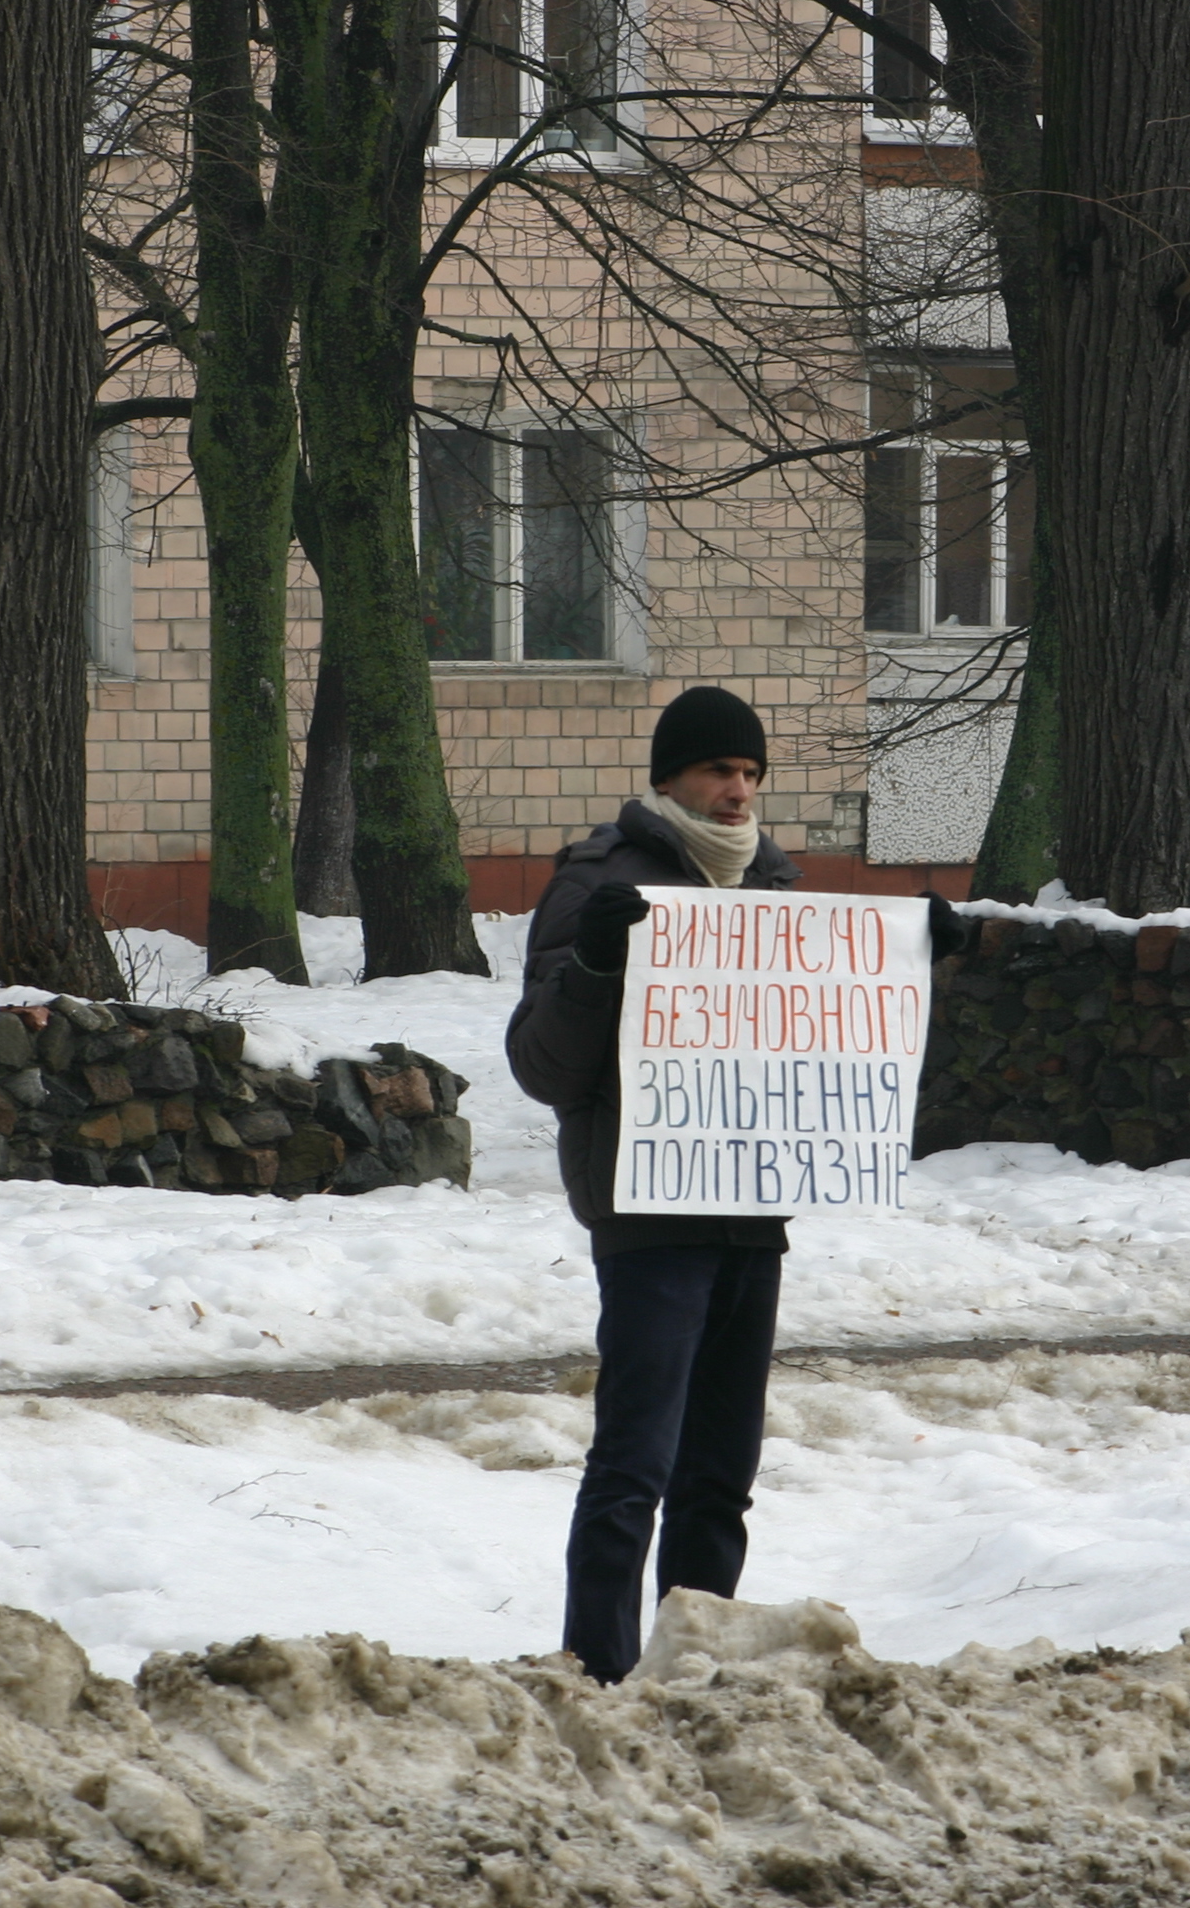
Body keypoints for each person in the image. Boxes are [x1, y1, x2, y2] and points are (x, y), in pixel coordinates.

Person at [500, 689, 798, 1683]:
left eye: (751, 773)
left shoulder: (774, 883)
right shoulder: (598, 881)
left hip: (750, 1207)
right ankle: (598, 1671)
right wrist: (593, 962)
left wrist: (917, 962)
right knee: (635, 1465)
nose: (738, 790)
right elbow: (543, 1067)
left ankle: (693, 1668)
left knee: (722, 1476)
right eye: (719, 770)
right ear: (670, 777)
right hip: (648, 1211)